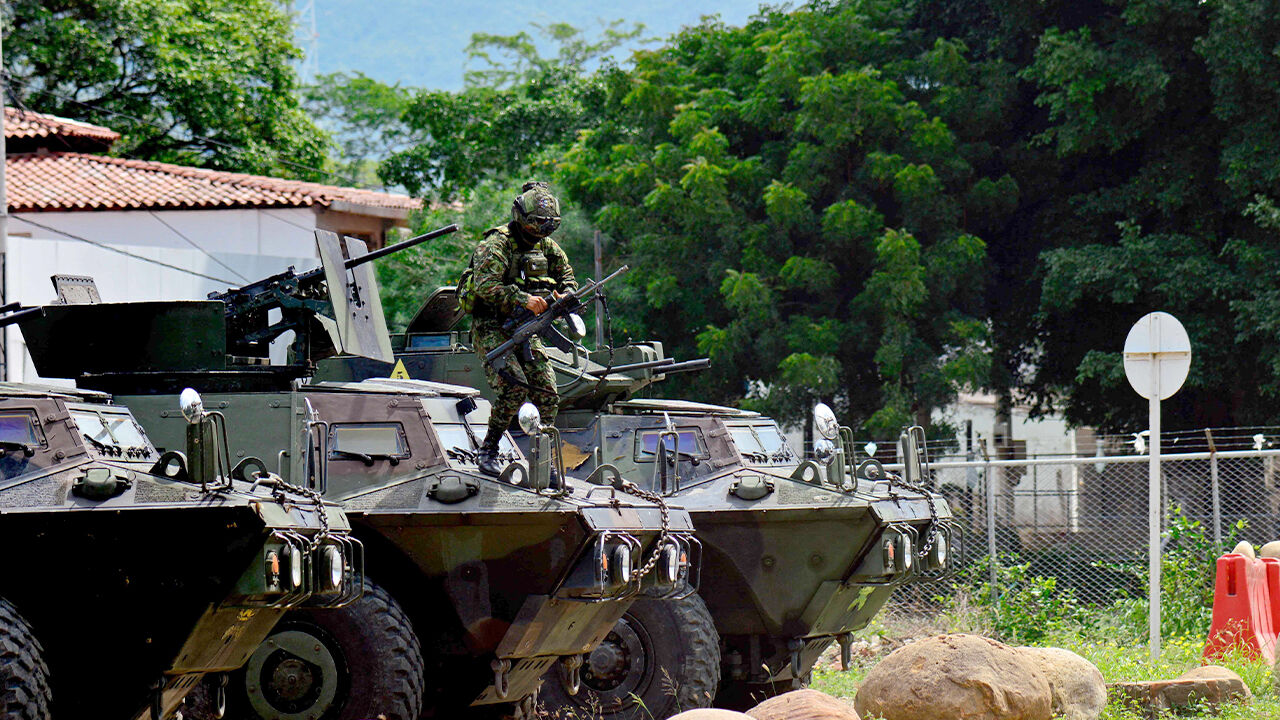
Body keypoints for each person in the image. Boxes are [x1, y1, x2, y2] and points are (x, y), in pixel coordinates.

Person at [469, 181, 578, 477]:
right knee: (514, 387)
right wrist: (524, 299)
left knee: (547, 392)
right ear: (521, 217)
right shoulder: (497, 244)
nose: (541, 231)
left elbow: (567, 277)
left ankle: (544, 463)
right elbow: (485, 286)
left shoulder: (547, 247)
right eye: (536, 224)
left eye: (549, 225)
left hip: (527, 328)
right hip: (491, 325)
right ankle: (489, 448)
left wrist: (565, 294)